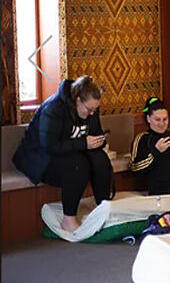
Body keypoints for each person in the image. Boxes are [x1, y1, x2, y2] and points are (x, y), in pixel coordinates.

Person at [13, 75, 113, 232]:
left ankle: (103, 210)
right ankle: (69, 219)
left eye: (95, 109)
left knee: (101, 159)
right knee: (78, 165)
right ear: (78, 100)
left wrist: (100, 141)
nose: (92, 114)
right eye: (89, 109)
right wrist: (83, 143)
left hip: (70, 151)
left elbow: (95, 133)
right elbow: (49, 146)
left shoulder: (90, 108)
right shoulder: (54, 108)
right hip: (40, 158)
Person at [130, 97, 170, 195]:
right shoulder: (143, 138)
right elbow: (135, 168)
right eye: (157, 120)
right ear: (148, 119)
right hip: (162, 191)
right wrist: (156, 152)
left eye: (165, 119)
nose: (162, 123)